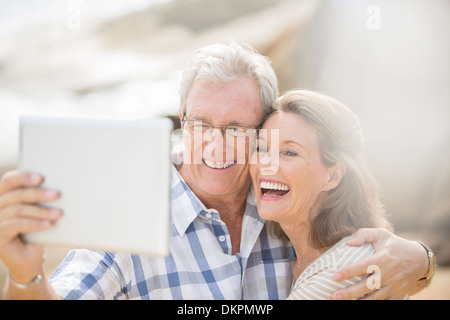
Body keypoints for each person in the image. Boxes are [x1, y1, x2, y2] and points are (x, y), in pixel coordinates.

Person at [0, 42, 432, 300]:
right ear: (182, 121)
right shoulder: (129, 213)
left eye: (237, 128)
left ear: (263, 130)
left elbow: (366, 254)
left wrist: (420, 261)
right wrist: (26, 277)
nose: (216, 145)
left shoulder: (285, 204)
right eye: (202, 124)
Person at [250, 89, 404, 299]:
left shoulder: (343, 271)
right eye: (261, 149)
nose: (266, 165)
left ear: (332, 177)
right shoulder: (309, 254)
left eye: (290, 153)